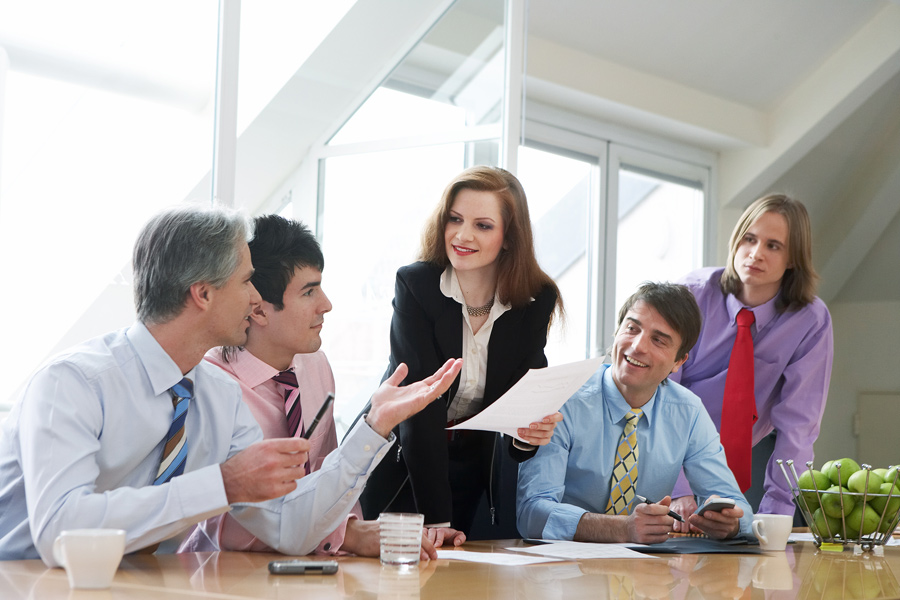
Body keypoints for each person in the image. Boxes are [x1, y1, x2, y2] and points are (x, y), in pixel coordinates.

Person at [0, 206, 461, 565]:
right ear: (203, 294)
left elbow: (289, 527)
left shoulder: (215, 399)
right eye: (245, 281)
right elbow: (61, 530)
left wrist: (373, 427)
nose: (257, 298)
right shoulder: (72, 383)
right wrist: (221, 484)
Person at [180, 214, 465, 556]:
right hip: (225, 571)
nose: (326, 304)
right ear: (257, 309)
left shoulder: (313, 365)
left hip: (311, 569)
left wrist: (354, 528)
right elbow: (249, 522)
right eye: (309, 291)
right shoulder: (212, 387)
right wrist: (350, 537)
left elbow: (327, 475)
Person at [357, 166, 564, 538]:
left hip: (473, 465)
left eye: (482, 225)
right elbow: (419, 405)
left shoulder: (536, 299)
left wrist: (527, 433)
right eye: (455, 219)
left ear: (509, 237)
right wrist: (436, 520)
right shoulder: (417, 285)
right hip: (404, 458)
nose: (463, 235)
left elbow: (522, 394)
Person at [517, 282, 752, 543]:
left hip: (644, 571)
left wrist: (730, 524)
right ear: (616, 332)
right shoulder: (562, 398)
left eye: (658, 340)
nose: (638, 346)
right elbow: (532, 514)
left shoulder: (689, 412)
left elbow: (738, 506)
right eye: (632, 329)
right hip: (559, 572)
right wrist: (621, 528)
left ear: (679, 362)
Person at [668, 194, 833, 526]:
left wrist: (776, 516)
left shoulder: (810, 322)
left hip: (731, 463)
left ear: (792, 259)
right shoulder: (692, 294)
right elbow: (663, 395)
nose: (755, 253)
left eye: (773, 246)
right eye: (750, 238)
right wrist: (679, 489)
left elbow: (798, 427)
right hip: (666, 452)